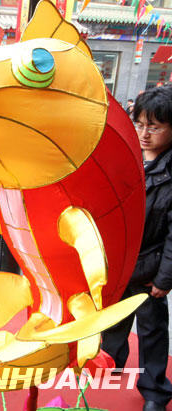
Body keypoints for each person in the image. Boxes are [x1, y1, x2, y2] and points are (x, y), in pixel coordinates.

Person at [102, 86, 172, 411]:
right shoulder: (126, 157)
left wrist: (164, 278)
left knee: (152, 331)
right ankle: (111, 362)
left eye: (154, 127)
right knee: (113, 321)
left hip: (150, 270)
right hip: (119, 264)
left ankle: (155, 391)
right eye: (140, 124)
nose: (144, 134)